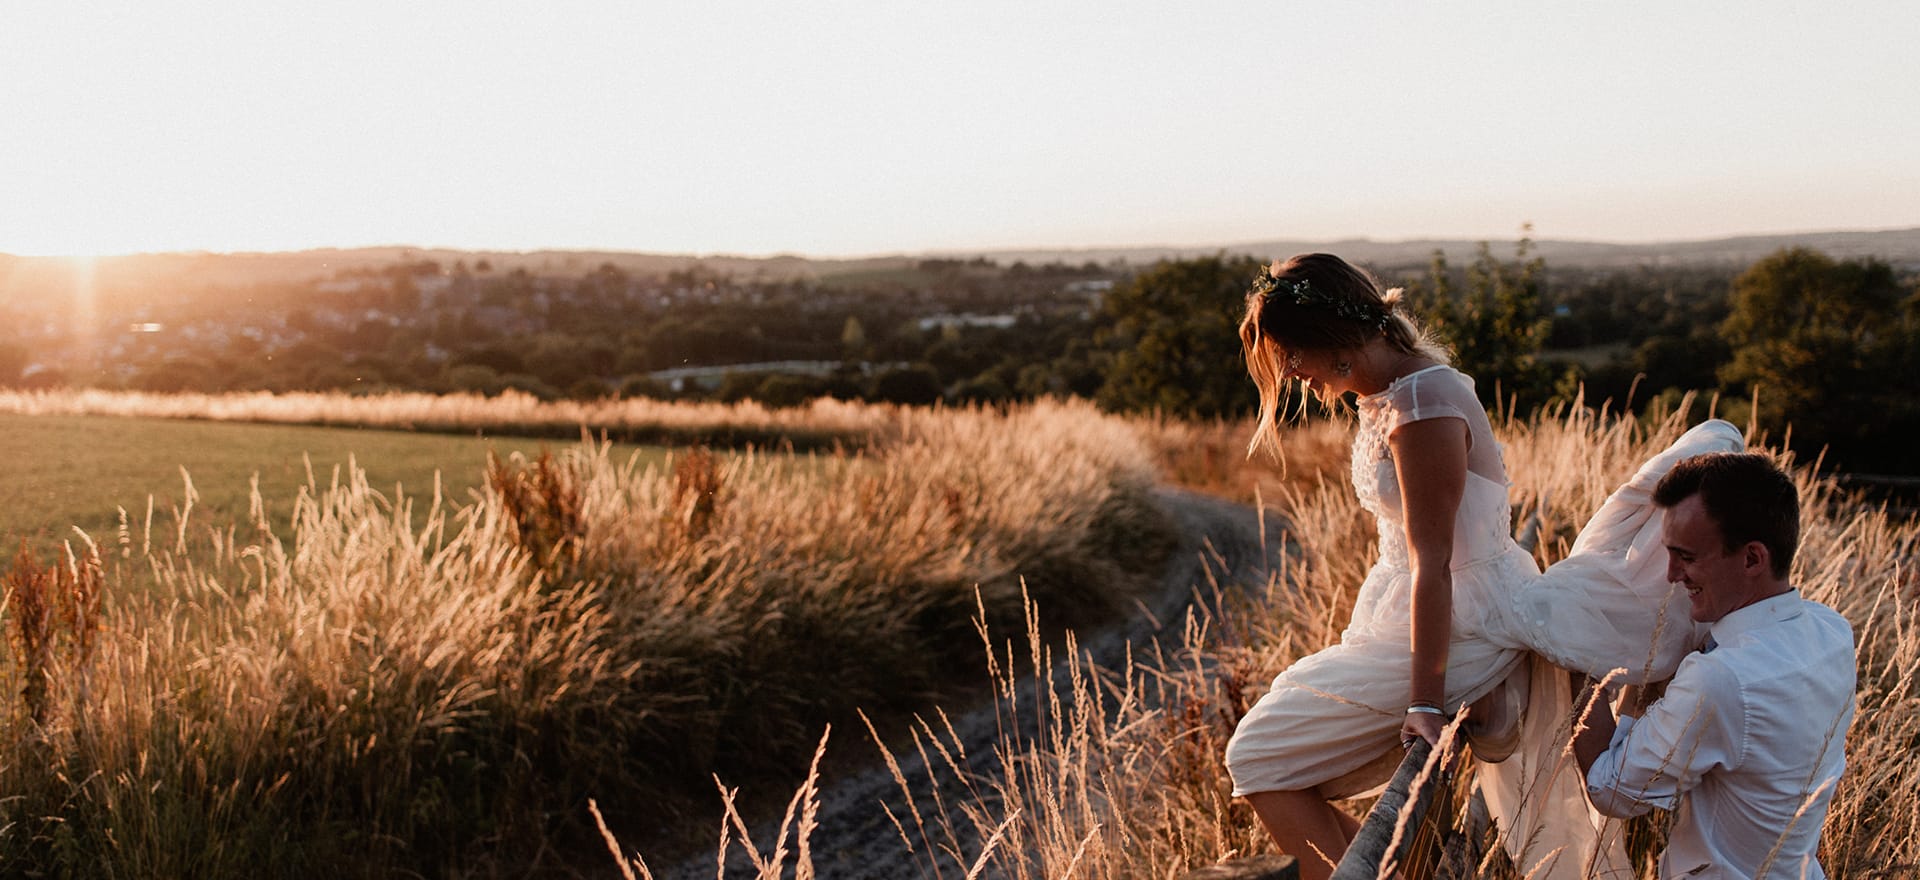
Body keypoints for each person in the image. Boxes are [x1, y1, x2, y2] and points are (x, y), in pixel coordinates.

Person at [1223, 253, 1744, 880]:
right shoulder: (1395, 394)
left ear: (1330, 341)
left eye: (1290, 354)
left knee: (1256, 755)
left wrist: (1426, 701)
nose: (1290, 372)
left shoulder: (1423, 403)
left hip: (1466, 621)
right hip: (1415, 609)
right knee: (1264, 760)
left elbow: (1436, 562)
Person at [1574, 453, 1855, 879]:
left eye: (1686, 556)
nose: (1670, 575)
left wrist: (1573, 651)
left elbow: (1609, 789)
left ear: (1752, 559)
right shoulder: (1833, 631)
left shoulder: (1721, 679)